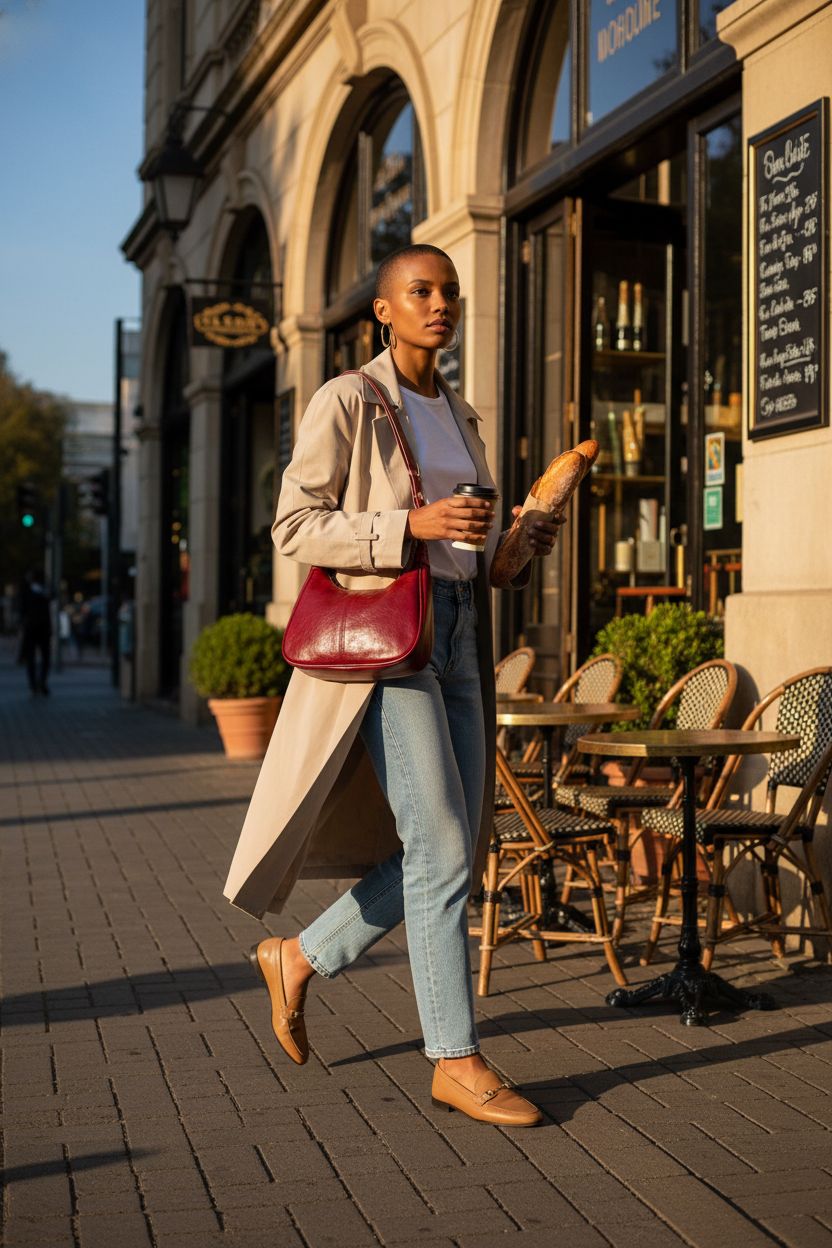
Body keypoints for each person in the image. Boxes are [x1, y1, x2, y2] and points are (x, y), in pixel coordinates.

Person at [224, 244, 562, 1127]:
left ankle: (298, 959)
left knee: (451, 845)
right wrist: (408, 524)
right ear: (384, 309)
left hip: (459, 633)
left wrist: (515, 548)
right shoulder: (349, 400)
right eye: (420, 291)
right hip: (391, 642)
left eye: (448, 291)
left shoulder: (463, 415)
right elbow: (294, 525)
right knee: (444, 846)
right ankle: (454, 1059)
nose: (439, 304)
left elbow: (479, 558)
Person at [19, 572, 52, 696]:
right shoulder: (28, 590)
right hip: (34, 628)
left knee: (42, 658)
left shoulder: (42, 590)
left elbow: (53, 595)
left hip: (38, 628)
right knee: (35, 658)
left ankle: (39, 683)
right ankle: (36, 684)